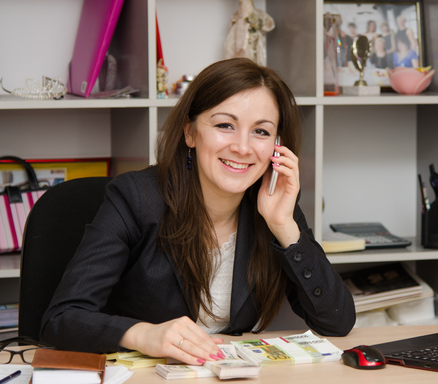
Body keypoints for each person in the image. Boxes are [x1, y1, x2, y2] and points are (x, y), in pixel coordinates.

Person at [40, 58, 356, 366]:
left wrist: (284, 226)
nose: (243, 148)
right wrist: (144, 335)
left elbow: (336, 323)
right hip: (141, 383)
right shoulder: (135, 198)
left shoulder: (273, 206)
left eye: (260, 131)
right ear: (190, 133)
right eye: (225, 125)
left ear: (277, 145)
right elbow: (61, 319)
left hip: (224, 383)